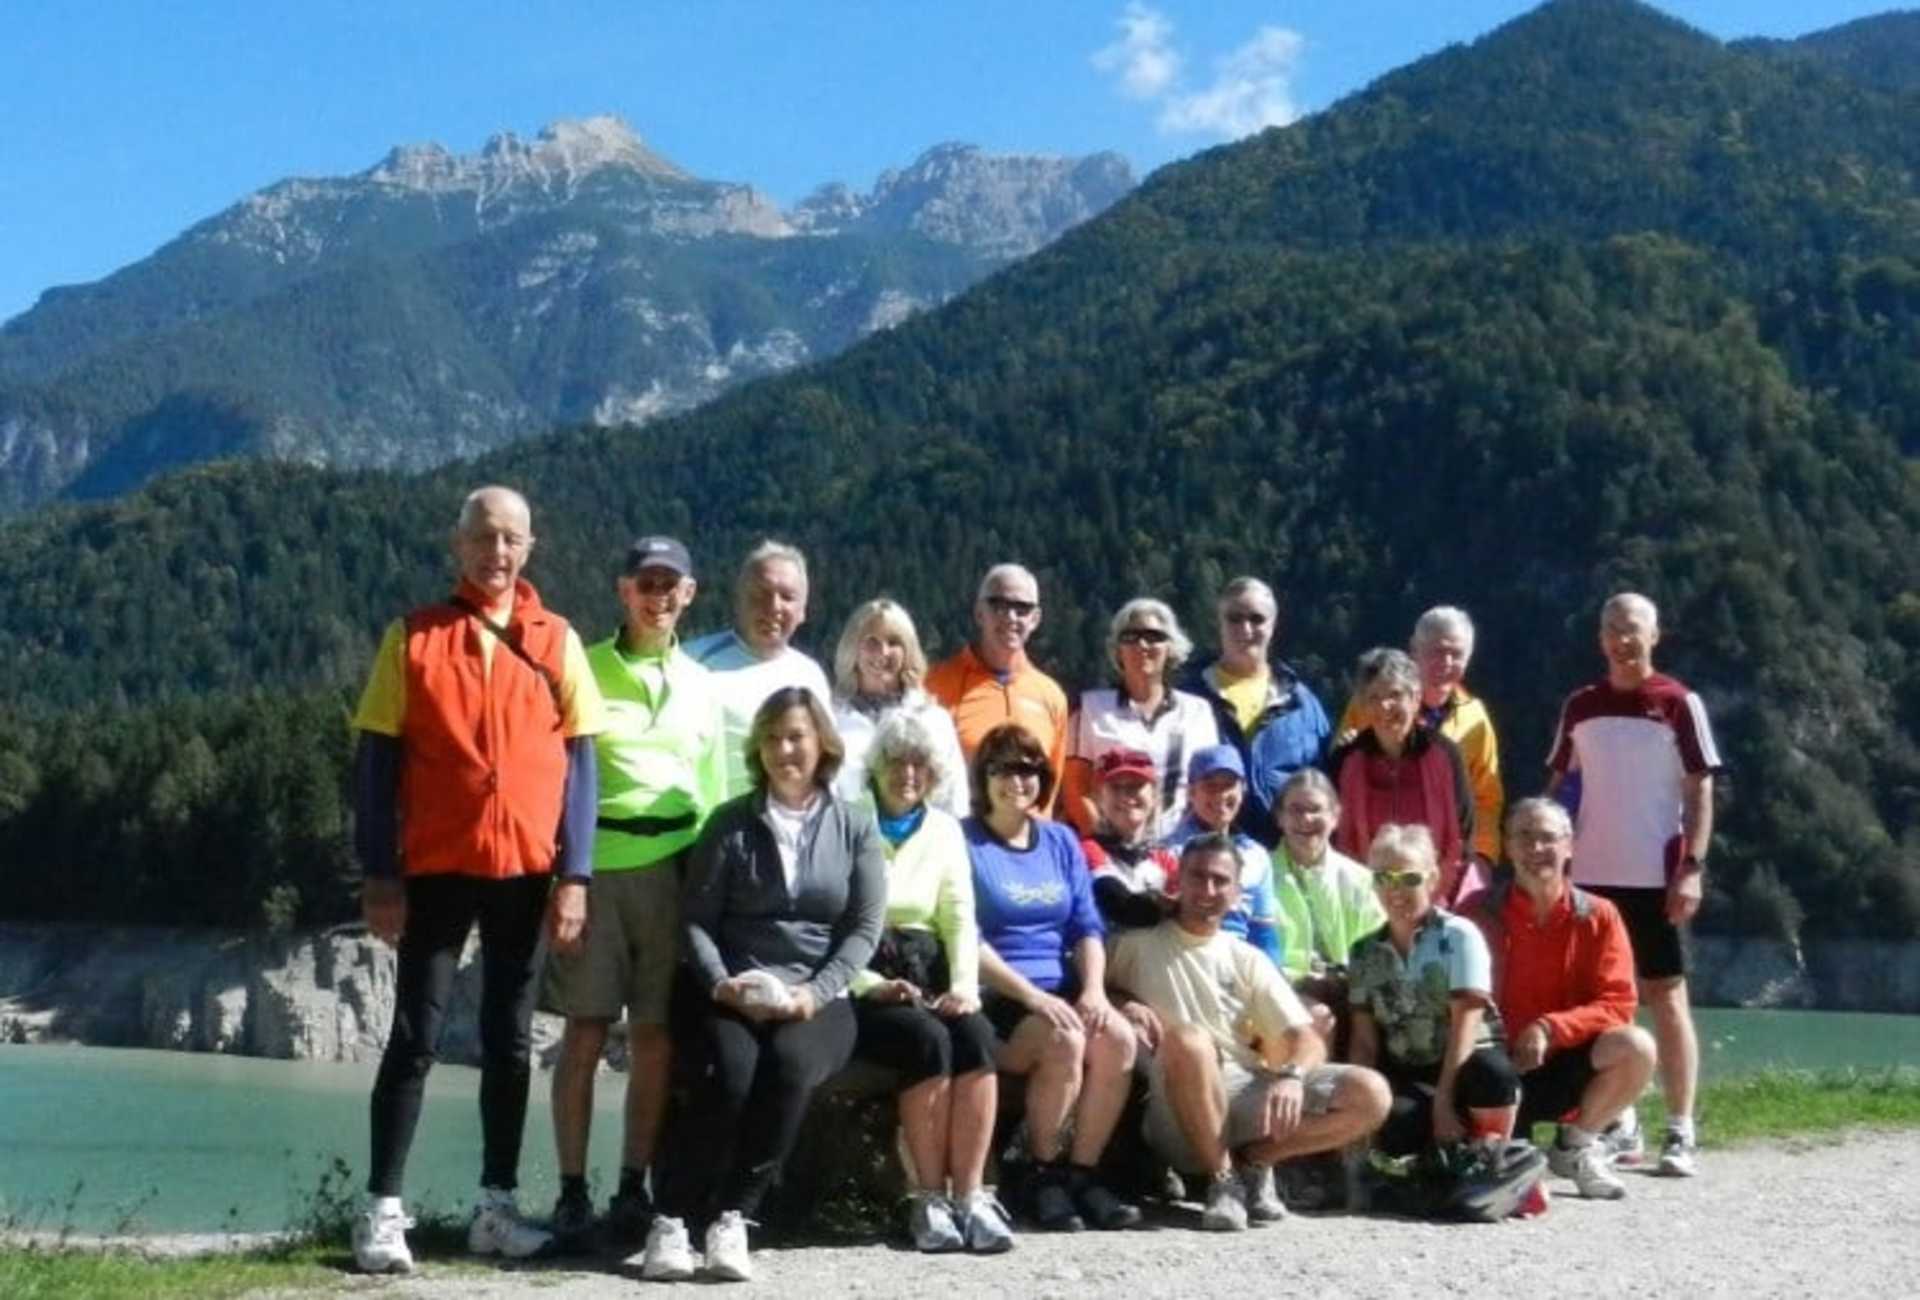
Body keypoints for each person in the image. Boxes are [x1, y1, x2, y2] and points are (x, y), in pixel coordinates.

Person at [348, 485, 606, 1274]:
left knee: (509, 1041)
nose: (497, 552)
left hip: (525, 871)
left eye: (511, 539)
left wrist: (576, 875)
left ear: (530, 548)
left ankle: (495, 1207)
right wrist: (379, 871)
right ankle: (382, 1211)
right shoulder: (413, 636)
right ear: (458, 545)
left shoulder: (558, 639)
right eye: (484, 537)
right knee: (415, 1036)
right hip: (436, 867)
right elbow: (375, 764)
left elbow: (582, 766)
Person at [538, 536, 729, 1266]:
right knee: (584, 1032)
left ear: (690, 594)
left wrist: (711, 890)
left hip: (675, 870)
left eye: (670, 585)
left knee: (655, 1036)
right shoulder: (583, 666)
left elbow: (712, 790)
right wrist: (569, 876)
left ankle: (631, 1187)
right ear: (623, 590)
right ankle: (571, 1191)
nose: (658, 596)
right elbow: (562, 779)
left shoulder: (701, 683)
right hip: (598, 869)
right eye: (646, 583)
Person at [672, 687, 885, 1281]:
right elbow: (695, 920)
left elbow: (864, 927)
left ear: (823, 744)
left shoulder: (855, 826)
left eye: (795, 737)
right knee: (729, 1072)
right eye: (771, 739)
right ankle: (673, 1216)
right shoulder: (730, 823)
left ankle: (734, 1217)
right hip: (733, 990)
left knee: (792, 1066)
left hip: (819, 994)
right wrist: (721, 984)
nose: (783, 750)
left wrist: (814, 994)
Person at [1108, 833, 1392, 1232]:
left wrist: (1292, 1075)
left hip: (1241, 1089)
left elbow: (1305, 1037)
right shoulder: (1134, 946)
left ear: (1238, 893)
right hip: (1172, 1104)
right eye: (1198, 876)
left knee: (1371, 1093)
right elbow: (1086, 990)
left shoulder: (1246, 958)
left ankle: (1255, 1162)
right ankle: (1222, 1181)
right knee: (1190, 1040)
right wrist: (1122, 1001)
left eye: (1221, 881)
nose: (1208, 890)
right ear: (1179, 880)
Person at [1547, 592, 1721, 1177]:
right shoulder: (1581, 706)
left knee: (1666, 996)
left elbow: (1700, 788)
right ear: (1600, 638)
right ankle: (1617, 1122)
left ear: (1654, 636)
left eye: (1633, 629)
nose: (1623, 640)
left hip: (1654, 877)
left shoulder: (1678, 703)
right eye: (1612, 629)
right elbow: (1561, 785)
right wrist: (1547, 859)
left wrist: (1692, 868)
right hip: (1588, 879)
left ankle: (1681, 1128)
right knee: (1595, 1003)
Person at [965, 723, 1143, 1232]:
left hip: (1061, 987)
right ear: (984, 778)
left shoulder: (1061, 840)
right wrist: (1032, 997)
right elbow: (965, 937)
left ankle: (1082, 1174)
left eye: (1028, 770)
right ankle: (1040, 1176)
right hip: (996, 993)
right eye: (1003, 769)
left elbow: (1087, 926)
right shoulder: (963, 841)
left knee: (1118, 1038)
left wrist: (1095, 991)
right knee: (1064, 1038)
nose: (1017, 781)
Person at [850, 711, 1014, 1254]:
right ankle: (926, 1197)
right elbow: (831, 920)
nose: (908, 774)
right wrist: (869, 983)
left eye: (919, 764)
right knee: (927, 1040)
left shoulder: (945, 830)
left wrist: (964, 986)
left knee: (976, 1036)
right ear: (878, 766)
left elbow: (959, 916)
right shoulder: (849, 820)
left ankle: (970, 1195)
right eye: (897, 762)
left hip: (928, 969)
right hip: (865, 973)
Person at [1461, 799, 1657, 1201]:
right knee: (1500, 1179)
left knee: (1636, 1047)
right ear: (1507, 846)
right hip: (1495, 1067)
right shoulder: (1476, 912)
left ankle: (1576, 1146)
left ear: (1569, 846)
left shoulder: (1599, 915)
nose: (1536, 849)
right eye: (1524, 837)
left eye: (1547, 838)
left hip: (1563, 1062)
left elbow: (1618, 1002)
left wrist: (1551, 1028)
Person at [1346, 825, 1520, 1160]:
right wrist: (1360, 1107)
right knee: (1397, 1126)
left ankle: (1494, 1155)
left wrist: (1443, 1101)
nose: (1395, 890)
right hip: (1410, 1069)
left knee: (1492, 1073)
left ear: (1432, 879)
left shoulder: (1459, 936)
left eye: (1408, 878)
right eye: (1383, 879)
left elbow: (1465, 1028)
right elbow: (1364, 1042)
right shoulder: (1363, 952)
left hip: (1467, 1062)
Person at [1338, 606, 1504, 869]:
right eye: (1437, 651)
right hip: (1369, 862)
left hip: (1442, 866)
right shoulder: (1368, 705)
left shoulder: (1476, 719)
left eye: (1456, 654)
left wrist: (1481, 858)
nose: (1446, 661)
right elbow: (1341, 784)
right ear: (1414, 650)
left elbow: (1486, 799)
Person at [1180, 576, 1330, 845]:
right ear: (1219, 623)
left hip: (1285, 853)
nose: (1245, 628)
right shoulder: (1188, 698)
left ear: (1273, 624)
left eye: (1257, 619)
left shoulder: (1302, 704)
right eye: (1234, 618)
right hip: (1204, 852)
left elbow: (1324, 784)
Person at [1326, 648, 1477, 906]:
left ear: (1415, 698)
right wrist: (1370, 900)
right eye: (1374, 697)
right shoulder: (1346, 760)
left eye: (1395, 695)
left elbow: (1461, 835)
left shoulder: (1444, 755)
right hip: (1365, 903)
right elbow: (1338, 840)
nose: (1384, 706)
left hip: (1434, 900)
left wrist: (1431, 899)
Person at [1062, 598, 1219, 839]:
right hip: (1109, 844)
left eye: (1154, 636)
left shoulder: (1197, 712)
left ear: (1170, 648)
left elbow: (1209, 785)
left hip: (1181, 845)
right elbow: (1074, 789)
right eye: (1130, 637)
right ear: (1118, 650)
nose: (1142, 645)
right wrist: (1103, 842)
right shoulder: (1090, 708)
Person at [686, 540, 833, 795]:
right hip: (712, 816)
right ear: (740, 600)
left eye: (787, 597)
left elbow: (826, 761)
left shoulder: (810, 675)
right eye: (762, 594)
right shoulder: (692, 661)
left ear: (802, 611)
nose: (774, 606)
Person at [925, 564, 1070, 807]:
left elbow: (1049, 786)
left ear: (1035, 619)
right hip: (957, 827)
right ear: (979, 613)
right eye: (999, 605)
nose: (1010, 617)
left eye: (1022, 608)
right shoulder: (935, 685)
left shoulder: (1051, 696)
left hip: (1028, 829)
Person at [1269, 769, 1385, 1047]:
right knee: (1317, 1016)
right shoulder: (1259, 874)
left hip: (1351, 990)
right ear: (1280, 818)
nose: (1306, 819)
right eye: (1296, 810)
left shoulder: (1360, 879)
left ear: (1335, 816)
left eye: (1316, 810)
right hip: (1284, 991)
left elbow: (1378, 946)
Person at [829, 597, 969, 819]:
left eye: (894, 642)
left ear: (908, 651)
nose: (883, 652)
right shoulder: (830, 719)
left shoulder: (933, 721)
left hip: (922, 838)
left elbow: (954, 800)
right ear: (853, 649)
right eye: (872, 642)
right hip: (846, 837)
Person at [1161, 745, 1283, 966]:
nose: (1221, 795)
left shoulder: (1256, 855)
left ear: (1242, 789)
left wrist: (1273, 976)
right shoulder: (1168, 851)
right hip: (1184, 960)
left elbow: (1263, 931)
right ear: (1191, 792)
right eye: (1210, 786)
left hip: (1241, 964)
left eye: (1229, 785)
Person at [1077, 748, 1180, 932]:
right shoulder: (1086, 850)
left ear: (1154, 796)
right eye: (1115, 787)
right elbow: (1121, 905)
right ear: (1100, 797)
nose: (1125, 796)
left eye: (1136, 786)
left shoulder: (1165, 859)